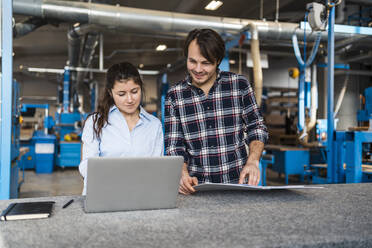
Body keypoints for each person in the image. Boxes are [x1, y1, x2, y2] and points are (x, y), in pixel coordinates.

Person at [164, 29, 268, 195]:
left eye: (206, 63)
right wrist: (182, 173)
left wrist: (253, 161)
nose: (198, 69)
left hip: (238, 185)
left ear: (218, 61)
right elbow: (174, 145)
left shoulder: (239, 85)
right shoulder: (174, 95)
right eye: (192, 61)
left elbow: (257, 127)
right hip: (195, 189)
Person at [79, 62, 164, 195]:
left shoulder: (154, 125)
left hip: (141, 196)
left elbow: (156, 169)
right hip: (103, 195)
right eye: (121, 94)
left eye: (134, 91)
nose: (129, 99)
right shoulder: (95, 122)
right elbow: (87, 167)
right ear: (110, 92)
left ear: (141, 88)